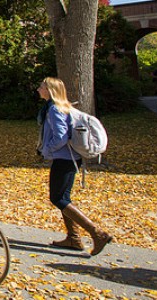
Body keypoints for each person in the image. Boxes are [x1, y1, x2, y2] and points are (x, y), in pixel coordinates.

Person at [36, 77, 113, 256]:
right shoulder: (61, 107)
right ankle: (73, 238)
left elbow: (61, 137)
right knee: (63, 197)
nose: (38, 89)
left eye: (41, 86)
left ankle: (97, 233)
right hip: (70, 158)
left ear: (49, 90)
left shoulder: (54, 109)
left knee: (58, 198)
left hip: (64, 159)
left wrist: (46, 149)